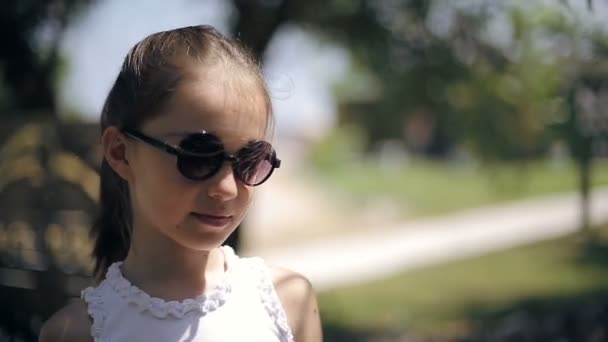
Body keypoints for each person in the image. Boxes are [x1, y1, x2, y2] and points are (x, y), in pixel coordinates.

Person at [39, 25, 322, 342]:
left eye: (249, 160)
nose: (227, 188)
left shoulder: (289, 302)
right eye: (198, 156)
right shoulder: (76, 332)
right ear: (120, 152)